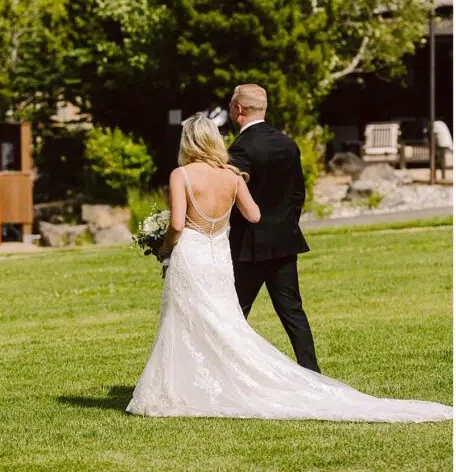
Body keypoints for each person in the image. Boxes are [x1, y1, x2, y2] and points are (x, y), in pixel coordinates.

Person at [126, 112, 453, 422]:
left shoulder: (180, 175)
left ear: (188, 142)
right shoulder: (231, 176)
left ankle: (183, 388)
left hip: (192, 255)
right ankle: (211, 383)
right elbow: (254, 215)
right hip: (218, 255)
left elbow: (178, 225)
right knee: (224, 320)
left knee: (184, 320)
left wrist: (164, 247)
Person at [226, 84, 318, 371]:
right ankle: (312, 372)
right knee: (293, 313)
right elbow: (297, 195)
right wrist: (284, 226)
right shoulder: (287, 143)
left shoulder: (240, 149)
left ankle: (230, 372)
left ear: (238, 109)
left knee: (235, 313)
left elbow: (234, 195)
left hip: (248, 247)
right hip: (284, 243)